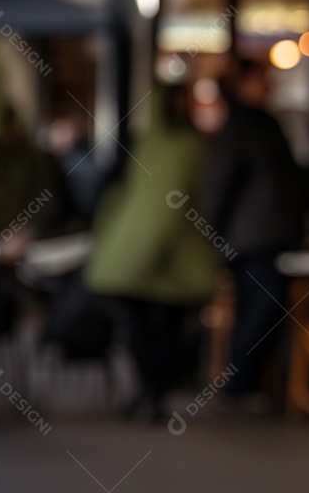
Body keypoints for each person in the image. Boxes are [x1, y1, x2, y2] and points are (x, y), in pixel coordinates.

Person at [85, 84, 216, 420]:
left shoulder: (153, 144)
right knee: (154, 330)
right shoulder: (180, 145)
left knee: (151, 330)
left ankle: (151, 393)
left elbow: (160, 204)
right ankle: (151, 392)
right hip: (160, 257)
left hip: (154, 258)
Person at [203, 60, 307, 402]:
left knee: (259, 309)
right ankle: (240, 387)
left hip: (261, 236)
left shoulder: (254, 123)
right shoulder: (245, 125)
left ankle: (248, 386)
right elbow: (218, 186)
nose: (270, 86)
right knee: (260, 309)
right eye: (262, 79)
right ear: (243, 84)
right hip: (255, 239)